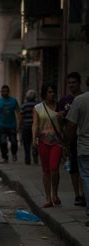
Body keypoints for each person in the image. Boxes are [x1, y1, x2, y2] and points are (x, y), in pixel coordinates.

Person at [32, 82, 62, 208]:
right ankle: (48, 197)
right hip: (43, 142)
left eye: (53, 91)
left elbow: (64, 124)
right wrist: (34, 137)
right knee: (46, 170)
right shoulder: (38, 107)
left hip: (57, 142)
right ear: (44, 93)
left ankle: (55, 194)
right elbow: (35, 124)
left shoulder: (59, 106)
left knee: (54, 168)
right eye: (49, 92)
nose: (52, 94)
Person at [58, 72, 86, 207]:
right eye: (69, 83)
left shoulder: (83, 99)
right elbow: (61, 122)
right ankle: (78, 195)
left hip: (83, 138)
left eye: (74, 82)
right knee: (74, 169)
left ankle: (85, 193)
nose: (71, 85)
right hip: (72, 139)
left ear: (79, 83)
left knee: (84, 170)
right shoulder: (64, 101)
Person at [66, 76, 89, 226]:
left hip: (84, 146)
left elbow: (71, 125)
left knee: (86, 178)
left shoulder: (80, 100)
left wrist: (68, 144)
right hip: (83, 146)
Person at [0, 85, 20, 163]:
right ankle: (5, 157)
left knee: (14, 142)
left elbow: (18, 112)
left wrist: (19, 125)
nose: (4, 93)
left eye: (6, 91)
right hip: (1, 125)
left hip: (12, 125)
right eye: (3, 91)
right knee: (3, 142)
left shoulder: (13, 101)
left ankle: (14, 153)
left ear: (8, 92)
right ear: (1, 92)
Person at [19, 90, 38, 165]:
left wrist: (19, 125)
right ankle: (35, 153)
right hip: (35, 127)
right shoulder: (37, 105)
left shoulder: (24, 106)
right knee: (35, 142)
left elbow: (21, 116)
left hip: (26, 126)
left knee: (26, 143)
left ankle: (27, 158)